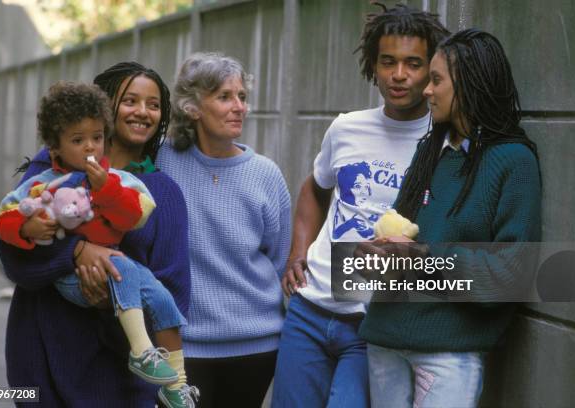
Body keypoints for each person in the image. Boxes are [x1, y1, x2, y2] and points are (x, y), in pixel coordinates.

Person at [272, 4, 449, 407]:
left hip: (375, 324)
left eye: (412, 63)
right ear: (373, 64)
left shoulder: (443, 142)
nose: (399, 75)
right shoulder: (347, 126)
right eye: (388, 62)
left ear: (430, 70)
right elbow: (315, 189)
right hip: (310, 309)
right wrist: (298, 251)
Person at [358, 28, 542, 408]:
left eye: (437, 80)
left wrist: (426, 256)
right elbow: (402, 248)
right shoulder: (430, 152)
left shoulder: (513, 162)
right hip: (384, 341)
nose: (426, 90)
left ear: (470, 84)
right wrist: (373, 259)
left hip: (447, 355)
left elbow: (512, 274)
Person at [0, 62, 195, 407]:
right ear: (104, 106)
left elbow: (172, 295)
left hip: (119, 381)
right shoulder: (51, 167)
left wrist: (110, 301)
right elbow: (15, 260)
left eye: (153, 104)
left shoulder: (162, 193)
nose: (142, 112)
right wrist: (76, 252)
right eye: (130, 100)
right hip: (39, 363)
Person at [156, 52, 291, 408]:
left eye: (242, 97)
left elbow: (279, 260)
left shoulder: (266, 174)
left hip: (256, 346)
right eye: (224, 97)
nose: (239, 107)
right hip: (181, 346)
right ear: (192, 107)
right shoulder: (160, 163)